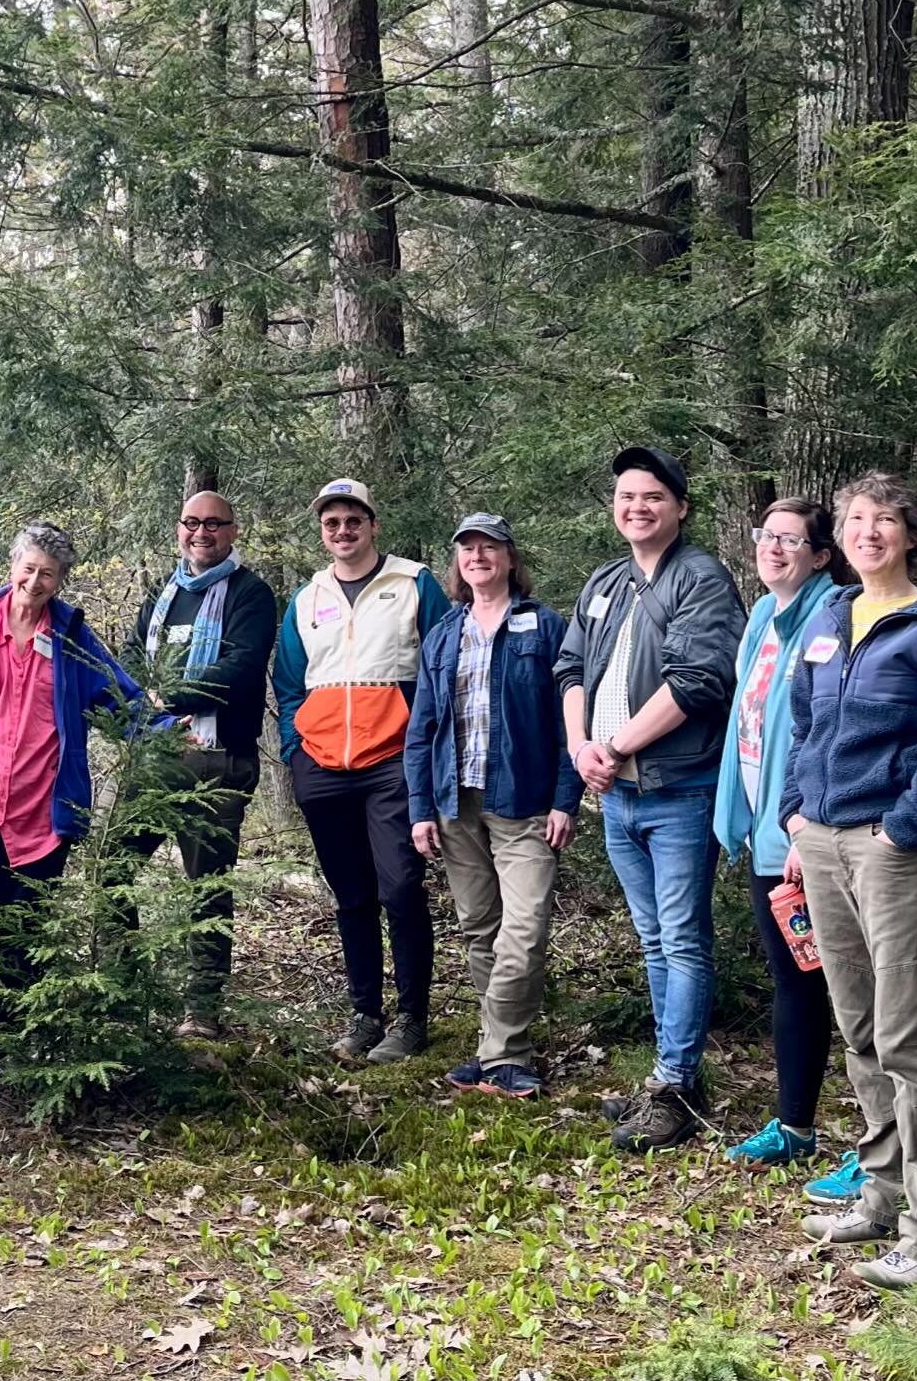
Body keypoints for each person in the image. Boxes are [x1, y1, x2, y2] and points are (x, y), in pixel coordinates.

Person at [782, 471, 917, 1290]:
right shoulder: (831, 620)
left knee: (913, 1039)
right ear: (838, 535)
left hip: (895, 850)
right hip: (826, 844)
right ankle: (881, 1193)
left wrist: (903, 826)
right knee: (863, 1029)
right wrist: (797, 815)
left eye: (885, 520)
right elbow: (804, 728)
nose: (869, 531)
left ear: (910, 532)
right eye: (855, 519)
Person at [555, 446, 744, 1152]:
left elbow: (698, 680)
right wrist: (581, 751)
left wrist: (616, 747)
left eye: (653, 497)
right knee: (655, 940)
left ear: (681, 508)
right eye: (627, 496)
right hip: (618, 796)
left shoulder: (700, 579)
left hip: (677, 790)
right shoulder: (606, 581)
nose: (637, 507)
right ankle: (675, 1079)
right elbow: (570, 667)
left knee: (683, 940)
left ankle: (674, 1084)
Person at [0, 520, 142, 1100]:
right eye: (29, 568)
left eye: (49, 573)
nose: (36, 581)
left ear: (61, 580)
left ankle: (13, 1046)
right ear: (11, 565)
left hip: (41, 817)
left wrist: (165, 728)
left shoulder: (69, 635)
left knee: (22, 938)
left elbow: (118, 695)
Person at [272, 479, 449, 1065]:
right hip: (322, 766)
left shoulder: (414, 582)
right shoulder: (308, 596)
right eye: (331, 523)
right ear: (322, 532)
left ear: (372, 524)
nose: (343, 531)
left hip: (393, 762)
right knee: (351, 895)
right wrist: (295, 747)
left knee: (400, 885)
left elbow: (441, 664)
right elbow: (291, 680)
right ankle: (364, 1012)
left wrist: (425, 746)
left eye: (353, 520)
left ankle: (412, 1017)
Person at [406, 514, 577, 1100]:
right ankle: (507, 1053)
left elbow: (566, 722)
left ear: (509, 558)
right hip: (456, 802)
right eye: (467, 549)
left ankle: (498, 1051)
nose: (477, 557)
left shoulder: (545, 627)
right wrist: (420, 807)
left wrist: (565, 798)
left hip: (523, 802)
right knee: (480, 927)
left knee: (524, 930)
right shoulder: (444, 634)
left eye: (489, 548)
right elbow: (422, 727)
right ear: (458, 564)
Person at [711, 499, 844, 1174]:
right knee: (796, 981)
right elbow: (749, 722)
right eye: (767, 535)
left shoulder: (833, 616)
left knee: (847, 987)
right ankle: (796, 1126)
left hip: (806, 837)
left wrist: (808, 827)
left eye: (791, 540)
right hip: (768, 834)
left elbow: (829, 734)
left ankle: (890, 1148)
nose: (774, 548)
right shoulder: (764, 617)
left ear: (821, 555)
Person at [115, 490, 278, 1039]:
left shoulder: (251, 593)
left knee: (205, 885)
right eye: (191, 523)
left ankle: (201, 1008)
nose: (200, 532)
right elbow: (132, 660)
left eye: (213, 524)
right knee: (114, 868)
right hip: (155, 756)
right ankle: (127, 991)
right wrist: (145, 709)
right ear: (179, 528)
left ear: (233, 531)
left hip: (219, 761)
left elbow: (242, 667)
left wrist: (168, 698)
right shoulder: (162, 594)